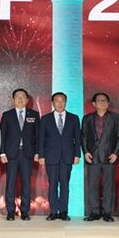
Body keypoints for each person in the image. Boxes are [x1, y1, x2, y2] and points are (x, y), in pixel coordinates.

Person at [38, 92, 81, 221]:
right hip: (51, 157)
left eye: (62, 101)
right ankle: (53, 212)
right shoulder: (45, 119)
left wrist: (77, 154)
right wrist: (41, 155)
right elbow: (41, 139)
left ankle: (63, 212)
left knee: (65, 185)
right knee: (52, 185)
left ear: (66, 102)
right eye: (57, 101)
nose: (60, 103)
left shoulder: (74, 118)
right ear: (53, 103)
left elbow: (77, 138)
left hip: (67, 157)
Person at [81, 92, 119, 222]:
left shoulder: (116, 118)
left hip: (109, 156)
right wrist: (86, 152)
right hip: (92, 156)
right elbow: (83, 136)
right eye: (99, 100)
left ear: (108, 103)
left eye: (104, 100)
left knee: (108, 186)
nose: (102, 102)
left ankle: (107, 213)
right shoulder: (87, 118)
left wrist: (115, 152)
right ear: (94, 104)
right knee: (92, 185)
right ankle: (94, 212)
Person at [0, 88, 40, 221]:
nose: (20, 99)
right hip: (11, 154)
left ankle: (25, 211)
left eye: (23, 97)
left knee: (26, 184)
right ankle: (10, 211)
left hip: (27, 154)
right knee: (10, 184)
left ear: (27, 100)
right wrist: (2, 153)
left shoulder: (34, 114)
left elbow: (38, 136)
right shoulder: (7, 115)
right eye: (17, 96)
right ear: (13, 99)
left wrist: (37, 152)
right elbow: (2, 135)